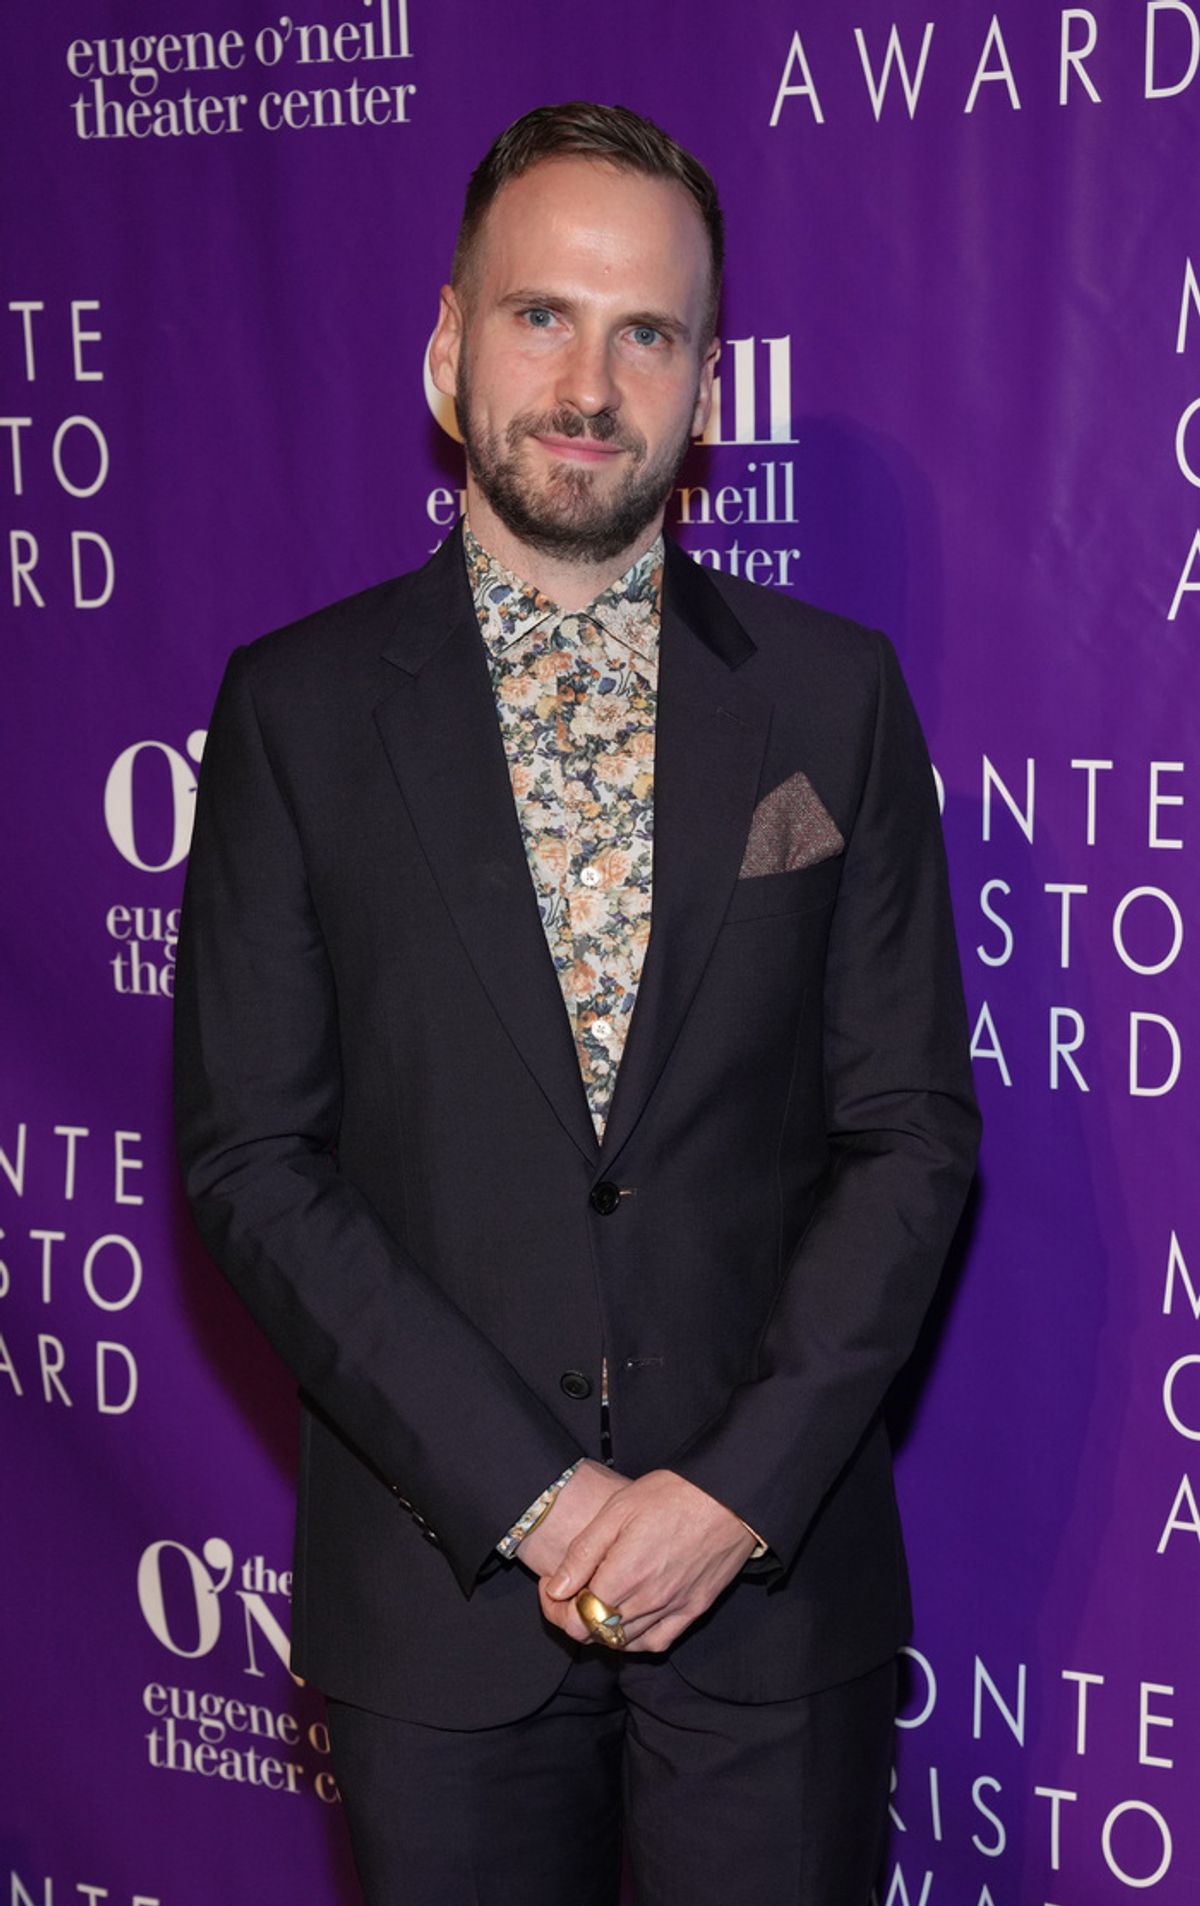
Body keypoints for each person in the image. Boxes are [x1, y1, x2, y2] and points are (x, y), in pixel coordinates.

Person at [174, 100, 979, 1906]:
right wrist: (535, 1493)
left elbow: (911, 1131)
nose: (592, 380)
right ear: (450, 351)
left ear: (703, 382)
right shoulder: (295, 716)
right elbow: (253, 1157)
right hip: (439, 1597)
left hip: (774, 1599)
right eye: (544, 315)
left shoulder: (835, 699)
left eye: (649, 332)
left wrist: (729, 1492)